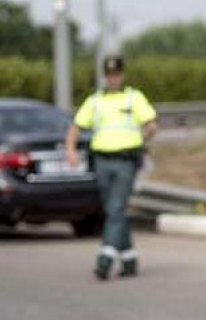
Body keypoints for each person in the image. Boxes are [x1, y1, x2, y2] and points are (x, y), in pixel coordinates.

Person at [64, 55, 158, 280]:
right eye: (108, 75)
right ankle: (129, 259)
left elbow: (151, 125)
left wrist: (140, 139)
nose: (112, 79)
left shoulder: (133, 98)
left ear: (122, 75)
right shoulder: (95, 101)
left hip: (126, 160)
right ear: (104, 76)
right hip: (102, 160)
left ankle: (105, 258)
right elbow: (75, 127)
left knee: (116, 208)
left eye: (116, 75)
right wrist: (70, 150)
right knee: (112, 209)